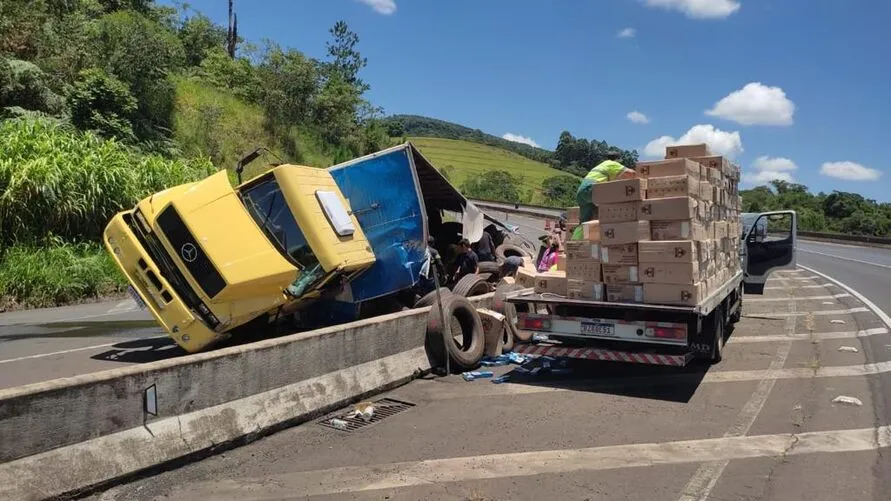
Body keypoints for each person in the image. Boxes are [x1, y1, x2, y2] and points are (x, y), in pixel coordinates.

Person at [573, 150, 637, 240]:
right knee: (609, 210)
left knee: (585, 222)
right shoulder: (612, 164)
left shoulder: (601, 165)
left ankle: (575, 244)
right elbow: (632, 173)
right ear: (617, 160)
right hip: (591, 189)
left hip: (581, 192)